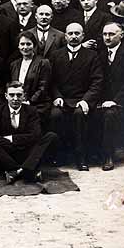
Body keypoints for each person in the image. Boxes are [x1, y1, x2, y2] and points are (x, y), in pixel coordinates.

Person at [49, 23, 104, 171]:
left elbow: (96, 81)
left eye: (77, 33)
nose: (74, 36)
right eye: (70, 34)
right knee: (55, 115)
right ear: (65, 36)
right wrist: (57, 96)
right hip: (63, 99)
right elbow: (51, 81)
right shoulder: (56, 55)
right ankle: (59, 155)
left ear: (83, 36)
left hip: (82, 99)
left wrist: (86, 100)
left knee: (80, 115)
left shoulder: (92, 56)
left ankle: (81, 157)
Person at [0, 82, 58, 184]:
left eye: (19, 95)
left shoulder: (31, 110)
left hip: (27, 151)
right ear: (6, 96)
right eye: (11, 95)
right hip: (7, 153)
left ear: (24, 96)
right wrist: (14, 140)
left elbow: (36, 134)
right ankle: (26, 170)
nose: (15, 98)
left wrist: (12, 138)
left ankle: (17, 171)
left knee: (51, 136)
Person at [96, 22, 124, 171]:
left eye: (111, 34)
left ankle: (108, 156)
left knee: (109, 115)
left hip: (122, 101)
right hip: (102, 100)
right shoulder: (99, 54)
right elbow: (96, 81)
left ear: (121, 35)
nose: (107, 37)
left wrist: (114, 101)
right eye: (105, 34)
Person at [9, 31, 52, 125]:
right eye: (22, 44)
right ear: (18, 46)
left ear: (34, 45)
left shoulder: (43, 63)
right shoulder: (14, 64)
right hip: (17, 103)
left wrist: (29, 102)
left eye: (28, 44)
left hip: (37, 104)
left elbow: (43, 88)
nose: (25, 47)